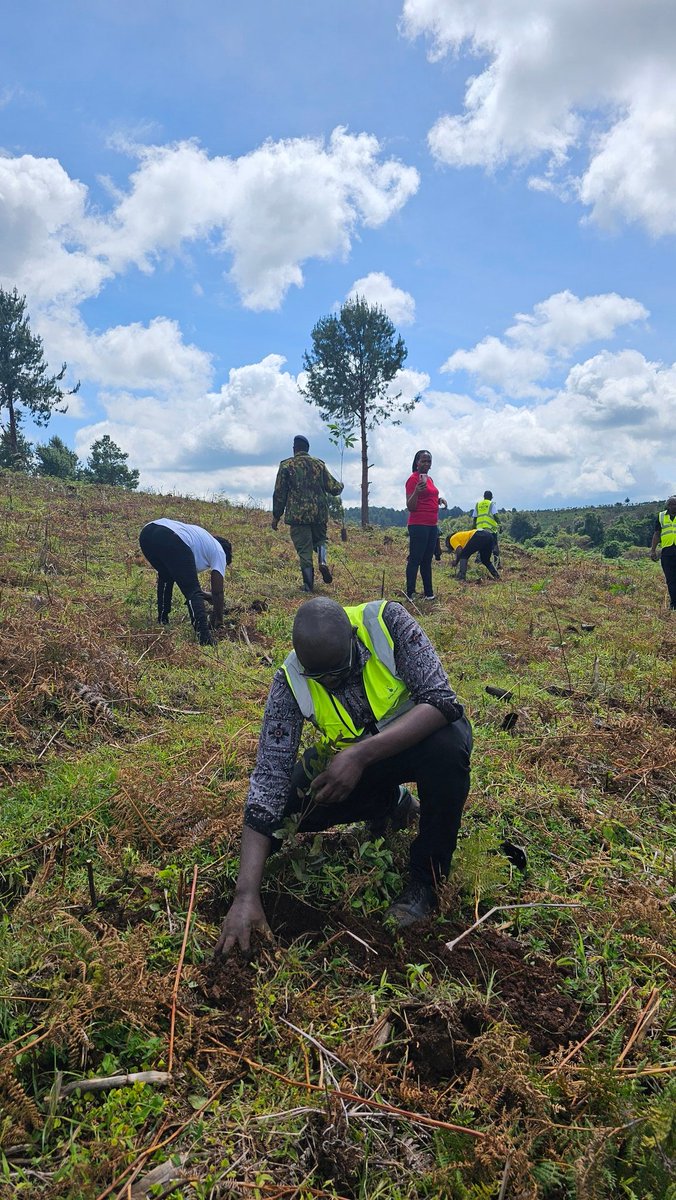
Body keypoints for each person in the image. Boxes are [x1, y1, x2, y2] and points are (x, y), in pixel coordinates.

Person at [215, 597, 472, 954]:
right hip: (362, 765)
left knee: (449, 747)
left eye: (338, 670)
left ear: (353, 638)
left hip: (423, 740)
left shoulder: (388, 623)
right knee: (296, 800)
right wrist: (246, 894)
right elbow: (269, 781)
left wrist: (360, 754)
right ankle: (392, 803)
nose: (331, 683)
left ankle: (426, 882)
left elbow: (443, 701)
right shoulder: (289, 682)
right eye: (319, 677)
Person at [139, 518, 232, 646]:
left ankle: (162, 619)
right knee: (192, 592)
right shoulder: (219, 551)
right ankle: (204, 636)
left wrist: (205, 595)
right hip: (171, 538)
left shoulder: (202, 539)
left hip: (147, 534)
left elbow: (181, 576)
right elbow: (218, 592)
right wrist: (219, 620)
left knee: (166, 576)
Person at [271, 435, 344, 592]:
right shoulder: (319, 465)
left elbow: (279, 493)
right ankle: (322, 561)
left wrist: (276, 516)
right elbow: (333, 487)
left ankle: (308, 586)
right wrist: (341, 486)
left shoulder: (286, 466)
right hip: (319, 514)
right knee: (321, 540)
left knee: (304, 549)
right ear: (307, 449)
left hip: (298, 517)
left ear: (294, 448)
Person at [405, 450, 447, 601]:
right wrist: (416, 491)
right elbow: (410, 506)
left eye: (429, 461)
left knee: (427, 560)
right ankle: (410, 593)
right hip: (418, 524)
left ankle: (429, 594)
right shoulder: (412, 480)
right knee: (415, 559)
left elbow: (429, 497)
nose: (426, 464)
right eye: (423, 461)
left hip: (431, 525)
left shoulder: (429, 480)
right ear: (417, 462)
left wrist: (438, 500)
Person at [650, 495, 676, 610]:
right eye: (671, 504)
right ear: (667, 505)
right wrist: (653, 550)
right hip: (667, 552)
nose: (673, 506)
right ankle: (674, 604)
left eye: (675, 504)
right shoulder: (661, 516)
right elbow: (657, 534)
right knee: (670, 579)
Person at [472, 490, 501, 566]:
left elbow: (474, 518)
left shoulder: (478, 504)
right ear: (491, 497)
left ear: (484, 497)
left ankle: (478, 561)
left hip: (479, 529)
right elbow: (496, 516)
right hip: (490, 529)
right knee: (494, 545)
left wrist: (473, 529)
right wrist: (500, 525)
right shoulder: (491, 504)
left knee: (480, 545)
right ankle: (497, 563)